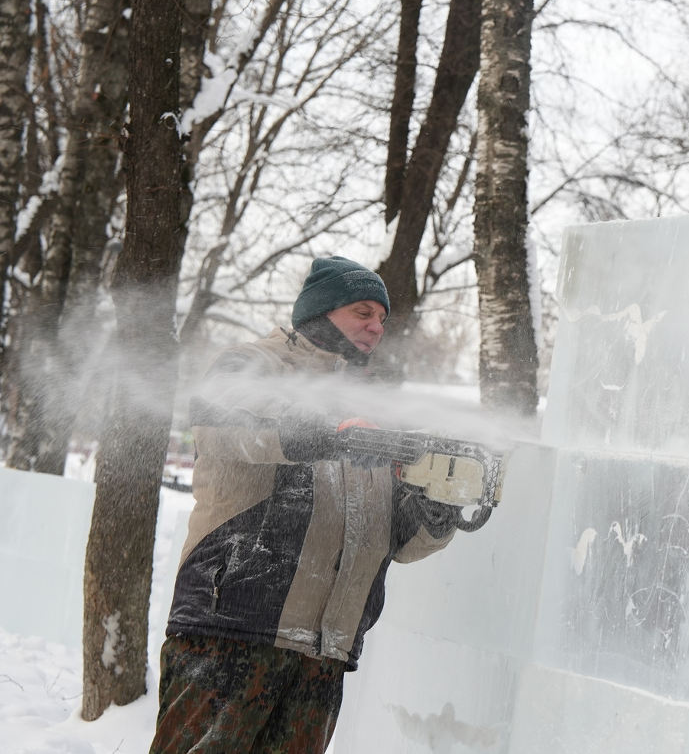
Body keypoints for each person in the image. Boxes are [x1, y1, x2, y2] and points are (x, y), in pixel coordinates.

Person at [149, 256, 459, 754]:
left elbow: (399, 543)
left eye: (382, 318)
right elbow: (229, 424)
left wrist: (439, 512)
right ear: (322, 310)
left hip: (324, 653)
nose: (376, 327)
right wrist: (325, 434)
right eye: (363, 312)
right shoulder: (253, 364)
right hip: (233, 630)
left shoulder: (376, 414)